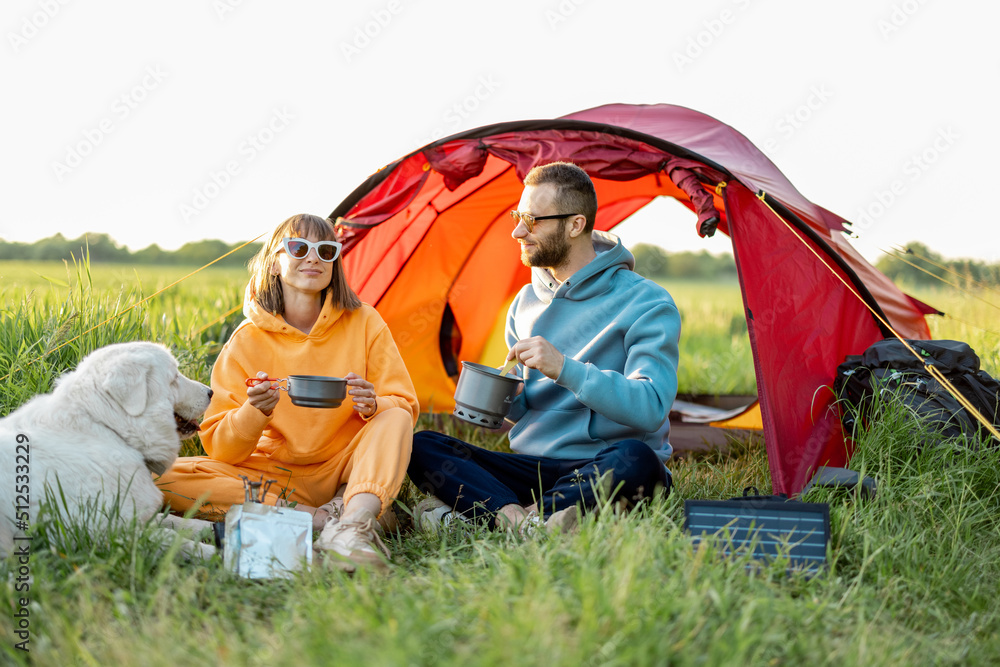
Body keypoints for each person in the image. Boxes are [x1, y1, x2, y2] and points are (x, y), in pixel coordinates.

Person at [407, 162, 679, 532]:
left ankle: (494, 515)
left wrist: (564, 368)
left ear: (575, 224)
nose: (518, 231)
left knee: (639, 460)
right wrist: (499, 398)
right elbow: (524, 409)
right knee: (423, 446)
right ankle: (524, 519)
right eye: (518, 216)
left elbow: (651, 407)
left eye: (533, 220)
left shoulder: (647, 302)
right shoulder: (524, 302)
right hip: (534, 467)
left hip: (604, 464)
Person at [157, 214, 418, 570]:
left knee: (395, 416)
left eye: (326, 250)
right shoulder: (246, 341)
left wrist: (373, 404)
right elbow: (220, 448)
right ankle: (326, 520)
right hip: (273, 477)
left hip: (345, 466)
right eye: (299, 247)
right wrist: (254, 412)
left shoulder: (365, 321)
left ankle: (353, 523)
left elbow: (403, 403)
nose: (313, 258)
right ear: (275, 262)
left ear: (335, 263)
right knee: (159, 475)